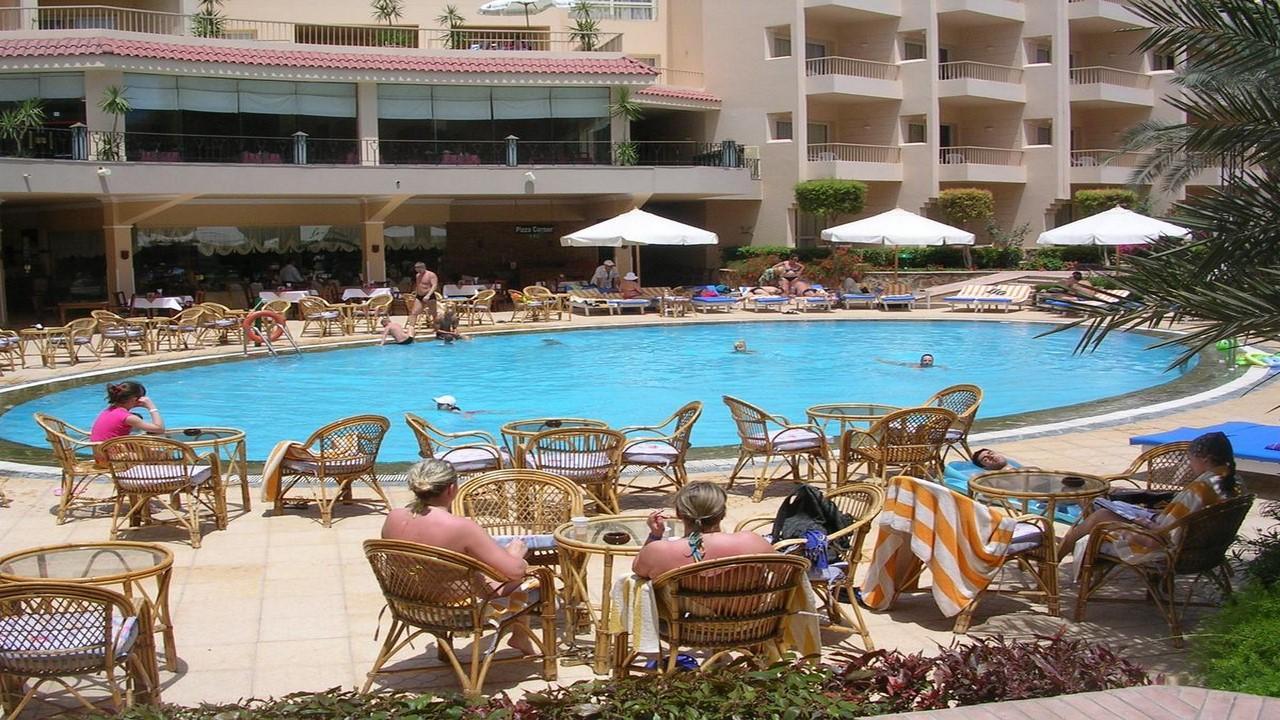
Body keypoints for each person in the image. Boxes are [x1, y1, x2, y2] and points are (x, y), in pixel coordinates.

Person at [381, 459, 537, 655]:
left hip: (409, 604)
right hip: (457, 611)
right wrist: (515, 553)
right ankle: (521, 636)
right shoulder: (461, 527)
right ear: (452, 489)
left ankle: (447, 648)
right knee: (533, 580)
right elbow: (514, 572)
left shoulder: (393, 517)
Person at [1057, 431, 1242, 560]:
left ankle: (1054, 560)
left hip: (1161, 545)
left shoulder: (1201, 489)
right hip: (1204, 547)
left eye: (1191, 460)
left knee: (1098, 516)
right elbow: (1184, 520)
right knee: (1105, 507)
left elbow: (1167, 532)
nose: (1190, 466)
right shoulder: (1231, 481)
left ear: (1205, 459)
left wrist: (1144, 522)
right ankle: (1058, 554)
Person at [632, 482, 776, 579]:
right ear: (723, 513)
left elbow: (638, 571)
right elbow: (784, 573)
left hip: (687, 616)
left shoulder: (659, 551)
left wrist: (655, 535)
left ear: (679, 514)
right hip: (750, 615)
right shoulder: (751, 542)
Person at [90, 382, 166, 461]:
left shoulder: (108, 411)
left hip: (100, 456)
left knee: (149, 451)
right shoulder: (128, 417)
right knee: (162, 455)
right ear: (135, 399)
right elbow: (160, 428)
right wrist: (151, 407)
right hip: (114, 460)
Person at [407, 261, 439, 330]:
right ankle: (411, 328)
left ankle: (437, 328)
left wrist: (428, 295)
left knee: (433, 312)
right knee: (414, 312)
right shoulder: (417, 275)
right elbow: (419, 285)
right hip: (419, 296)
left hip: (429, 295)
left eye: (419, 268)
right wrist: (415, 293)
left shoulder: (431, 275)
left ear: (424, 267)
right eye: (416, 268)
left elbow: (434, 285)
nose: (418, 270)